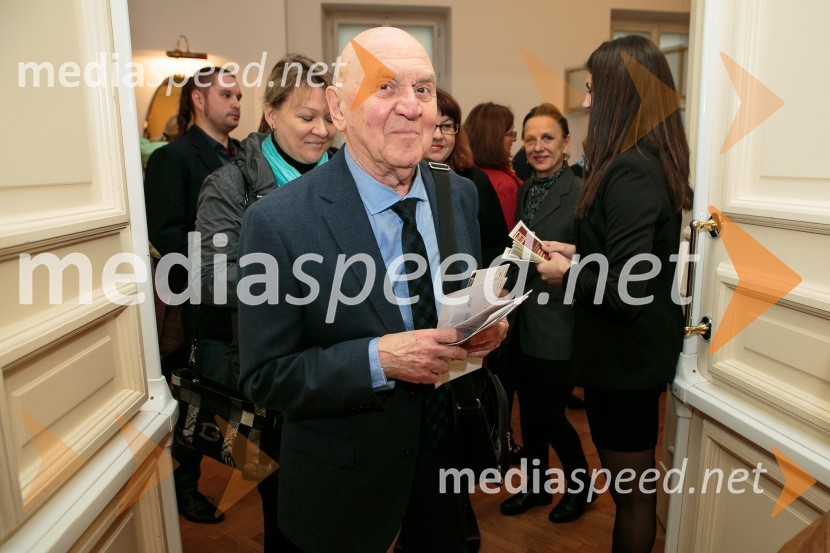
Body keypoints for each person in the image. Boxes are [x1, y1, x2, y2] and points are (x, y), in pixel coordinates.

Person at [237, 27, 508, 553]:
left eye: (424, 89)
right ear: (338, 110)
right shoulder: (278, 222)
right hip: (344, 494)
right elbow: (264, 378)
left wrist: (484, 328)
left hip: (444, 476)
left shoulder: (458, 195)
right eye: (385, 88)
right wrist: (377, 360)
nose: (411, 107)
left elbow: (455, 305)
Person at [537, 35, 692, 552]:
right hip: (628, 359)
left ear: (620, 95)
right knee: (635, 494)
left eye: (590, 90)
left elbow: (627, 292)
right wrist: (580, 254)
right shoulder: (646, 162)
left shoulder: (628, 169)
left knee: (633, 498)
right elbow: (632, 263)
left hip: (624, 363)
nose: (584, 103)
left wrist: (567, 272)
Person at [195, 55, 336, 551]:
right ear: (271, 114)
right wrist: (298, 285)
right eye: (306, 116)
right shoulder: (229, 185)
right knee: (287, 514)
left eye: (329, 116)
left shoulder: (346, 176)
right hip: (274, 379)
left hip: (342, 368)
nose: (321, 130)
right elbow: (209, 279)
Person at [144, 65, 242, 524]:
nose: (237, 102)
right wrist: (223, 254)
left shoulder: (244, 155)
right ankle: (185, 487)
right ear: (199, 100)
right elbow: (164, 233)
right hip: (194, 300)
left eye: (240, 95)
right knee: (193, 394)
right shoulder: (173, 158)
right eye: (226, 94)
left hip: (244, 296)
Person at [499, 103, 590, 523]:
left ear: (566, 143)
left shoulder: (581, 192)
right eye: (530, 139)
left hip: (558, 322)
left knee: (550, 415)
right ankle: (535, 489)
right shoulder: (523, 189)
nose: (538, 147)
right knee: (530, 417)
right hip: (521, 320)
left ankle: (581, 487)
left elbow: (594, 260)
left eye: (547, 138)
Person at [426, 88, 509, 266]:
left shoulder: (474, 181)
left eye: (446, 126)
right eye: (431, 125)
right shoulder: (402, 182)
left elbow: (498, 246)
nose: (438, 136)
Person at [464, 102, 523, 229]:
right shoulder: (505, 185)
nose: (514, 139)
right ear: (495, 138)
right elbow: (511, 237)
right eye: (511, 133)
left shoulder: (462, 173)